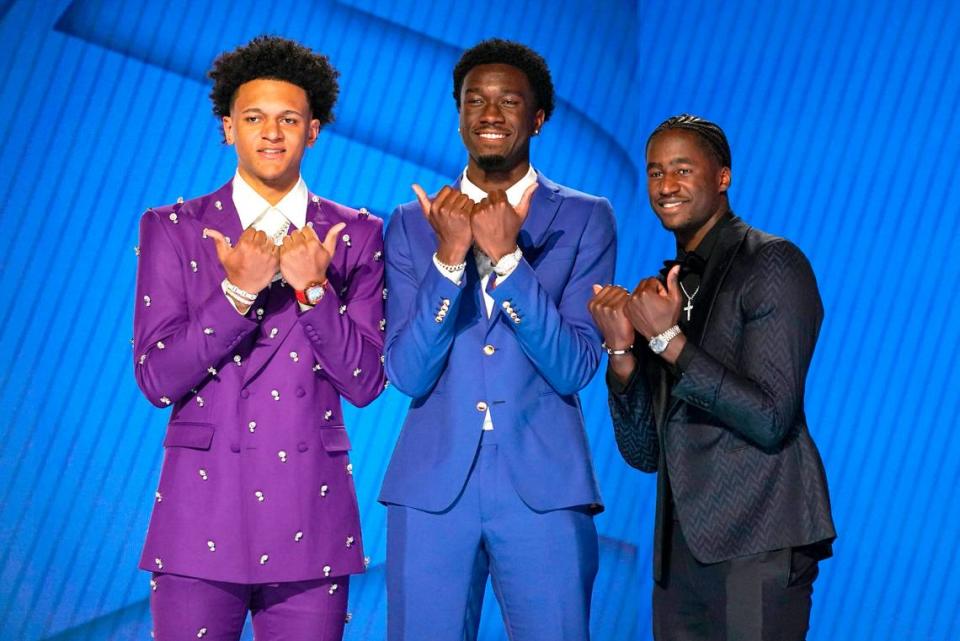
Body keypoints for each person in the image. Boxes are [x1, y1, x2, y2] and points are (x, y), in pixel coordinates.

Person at [132, 35, 385, 641]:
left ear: (314, 131)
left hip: (312, 513)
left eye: (289, 119)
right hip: (200, 512)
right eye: (253, 118)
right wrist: (237, 295)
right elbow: (156, 378)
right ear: (227, 129)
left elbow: (366, 382)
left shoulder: (355, 235)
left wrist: (313, 291)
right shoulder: (174, 229)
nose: (271, 133)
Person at [379, 38, 616, 641]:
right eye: (475, 100)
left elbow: (574, 366)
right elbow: (406, 372)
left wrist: (509, 260)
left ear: (538, 118)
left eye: (509, 101)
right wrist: (450, 259)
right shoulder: (410, 224)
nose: (490, 113)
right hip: (433, 488)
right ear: (458, 112)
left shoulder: (586, 217)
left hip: (544, 485)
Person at [589, 114, 836, 640]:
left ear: (723, 176)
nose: (666, 186)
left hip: (759, 543)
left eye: (682, 169)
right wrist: (622, 353)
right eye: (655, 173)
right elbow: (644, 453)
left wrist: (666, 341)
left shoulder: (774, 263)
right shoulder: (663, 290)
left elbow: (770, 417)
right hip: (678, 556)